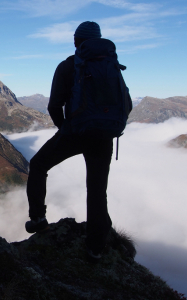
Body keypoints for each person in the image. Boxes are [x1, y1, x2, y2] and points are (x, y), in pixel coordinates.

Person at [24, 21, 132, 261]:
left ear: (76, 41)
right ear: (98, 39)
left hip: (75, 133)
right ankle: (95, 247)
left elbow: (54, 106)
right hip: (104, 137)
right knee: (96, 190)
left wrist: (66, 129)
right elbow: (128, 104)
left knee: (39, 165)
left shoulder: (67, 66)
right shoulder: (111, 65)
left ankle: (39, 220)